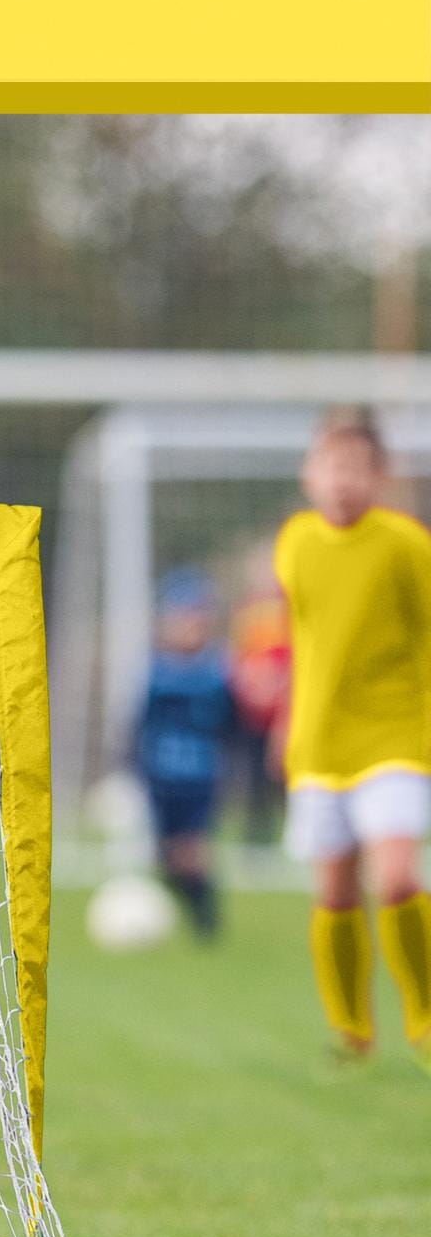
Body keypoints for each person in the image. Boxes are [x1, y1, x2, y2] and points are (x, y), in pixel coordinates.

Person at [275, 410, 431, 1065]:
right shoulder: (296, 545)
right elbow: (306, 641)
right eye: (330, 467)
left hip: (396, 735)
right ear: (311, 474)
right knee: (334, 892)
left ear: (379, 476)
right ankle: (352, 1032)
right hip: (319, 744)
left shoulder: (405, 545)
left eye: (355, 469)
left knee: (394, 877)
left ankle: (423, 1018)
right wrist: (287, 717)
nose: (342, 481)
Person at [134, 568, 234, 938]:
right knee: (166, 856)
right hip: (161, 778)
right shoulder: (154, 672)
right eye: (183, 618)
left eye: (198, 618)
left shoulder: (218, 671)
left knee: (193, 850)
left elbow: (232, 725)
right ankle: (189, 903)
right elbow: (137, 725)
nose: (191, 626)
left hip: (199, 778)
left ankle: (207, 922)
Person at [227, 544, 292, 846]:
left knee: (285, 775)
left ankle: (294, 834)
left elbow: (295, 657)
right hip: (253, 712)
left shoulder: (288, 608)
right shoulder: (247, 611)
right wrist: (251, 685)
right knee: (253, 776)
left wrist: (279, 686)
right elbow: (239, 658)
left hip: (283, 711)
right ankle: (258, 838)